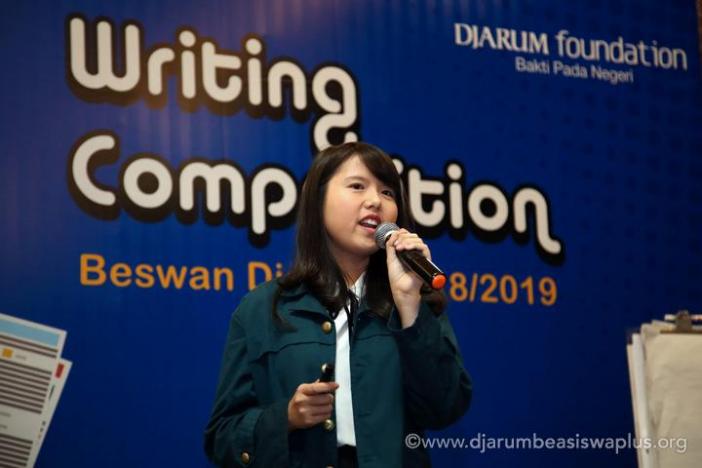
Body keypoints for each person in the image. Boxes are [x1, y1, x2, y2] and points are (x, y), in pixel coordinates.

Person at [204, 142, 472, 467]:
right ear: (318, 202)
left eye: (387, 192)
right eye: (357, 186)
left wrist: (408, 304)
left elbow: (446, 407)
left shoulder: (414, 300)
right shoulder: (262, 308)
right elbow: (222, 437)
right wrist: (286, 417)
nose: (375, 201)